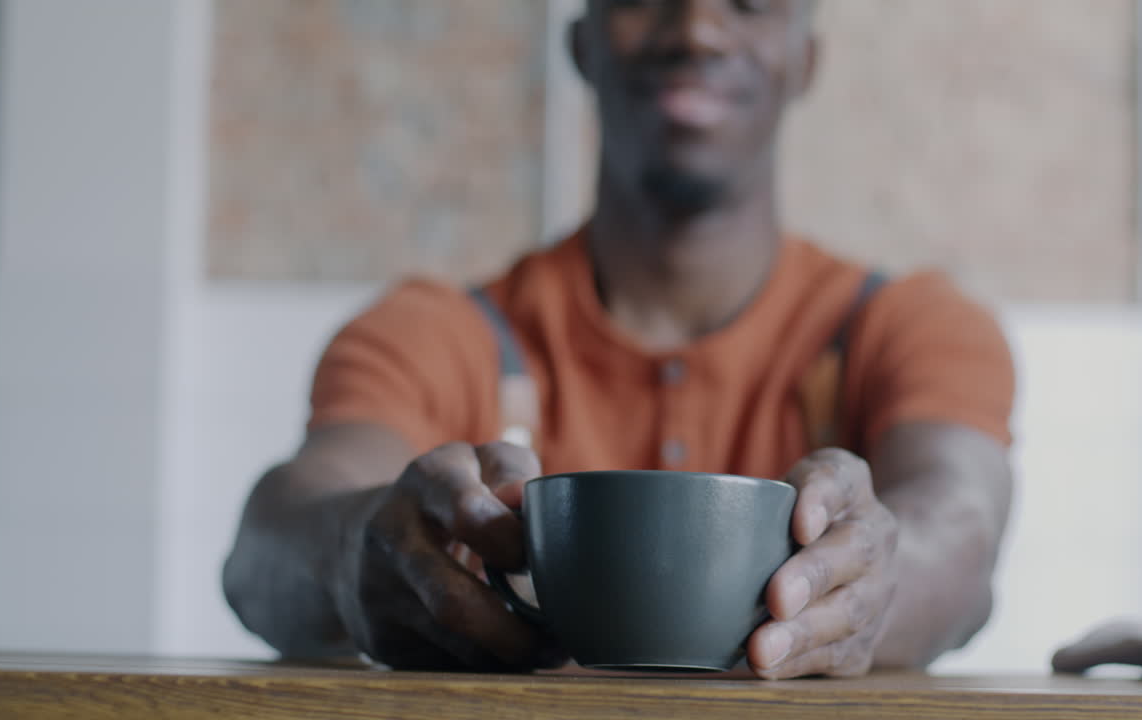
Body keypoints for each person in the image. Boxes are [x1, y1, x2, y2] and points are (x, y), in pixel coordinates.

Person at [222, 0, 1015, 680]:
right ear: (582, 45)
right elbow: (266, 544)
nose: (698, 30)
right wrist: (351, 550)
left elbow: (962, 527)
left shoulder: (915, 325)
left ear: (805, 60)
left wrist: (880, 580)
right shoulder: (428, 331)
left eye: (749, 2)